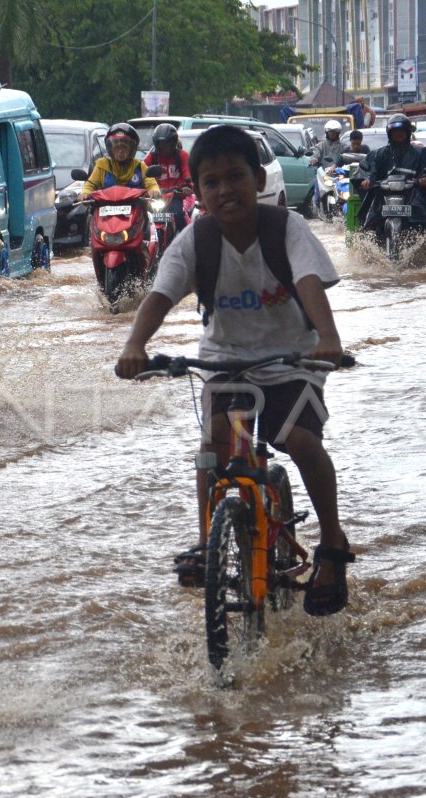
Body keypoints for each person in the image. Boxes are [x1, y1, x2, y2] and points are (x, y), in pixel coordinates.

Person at [114, 125, 355, 617]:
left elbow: (310, 282)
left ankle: (332, 544)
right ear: (198, 190)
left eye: (235, 177)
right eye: (211, 182)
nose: (225, 190)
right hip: (224, 359)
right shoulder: (194, 240)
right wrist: (135, 344)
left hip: (295, 358)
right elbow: (159, 296)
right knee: (214, 443)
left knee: (299, 440)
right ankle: (209, 541)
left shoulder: (286, 228)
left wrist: (328, 340)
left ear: (257, 177)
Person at [353, 112, 426, 238]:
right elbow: (365, 168)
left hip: (415, 198)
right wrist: (366, 179)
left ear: (408, 132)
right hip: (383, 198)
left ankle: (423, 241)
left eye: (402, 131)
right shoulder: (379, 154)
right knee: (369, 226)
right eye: (395, 131)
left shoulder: (422, 153)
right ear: (390, 133)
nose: (399, 134)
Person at [81, 122, 161, 200]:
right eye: (117, 148)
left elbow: (151, 183)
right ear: (110, 148)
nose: (120, 151)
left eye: (124, 148)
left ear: (132, 149)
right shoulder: (102, 165)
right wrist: (85, 192)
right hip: (105, 209)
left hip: (135, 208)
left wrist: (154, 191)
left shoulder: (139, 166)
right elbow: (90, 184)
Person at [144, 122, 191, 237]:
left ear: (173, 143)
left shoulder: (182, 156)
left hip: (175, 196)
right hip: (156, 197)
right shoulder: (152, 157)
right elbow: (142, 172)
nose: (163, 147)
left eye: (166, 144)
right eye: (160, 144)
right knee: (143, 217)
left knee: (178, 214)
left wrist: (187, 186)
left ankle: (186, 241)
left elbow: (188, 173)